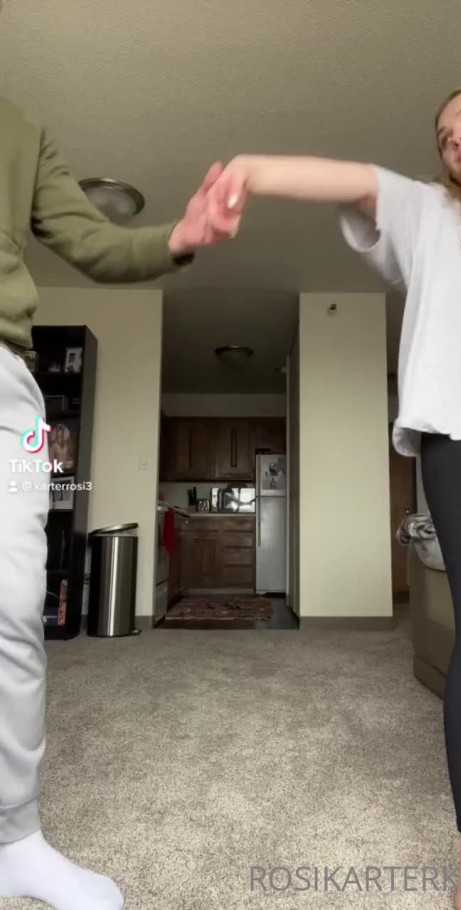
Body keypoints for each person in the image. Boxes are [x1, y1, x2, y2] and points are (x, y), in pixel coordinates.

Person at [205, 85, 461, 910]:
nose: (452, 134)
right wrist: (252, 169)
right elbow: (347, 178)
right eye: (442, 129)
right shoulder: (430, 211)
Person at [0, 95, 243, 910]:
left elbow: (90, 239)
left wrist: (179, 235)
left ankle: (13, 840)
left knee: (12, 606)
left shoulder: (19, 131)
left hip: (4, 380)